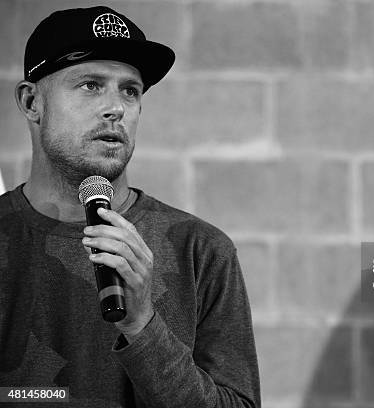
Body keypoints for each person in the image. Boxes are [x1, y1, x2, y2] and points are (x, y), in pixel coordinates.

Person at [0, 6, 260, 408]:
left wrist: (143, 325)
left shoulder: (201, 250)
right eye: (90, 84)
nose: (116, 108)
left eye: (130, 90)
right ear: (32, 101)